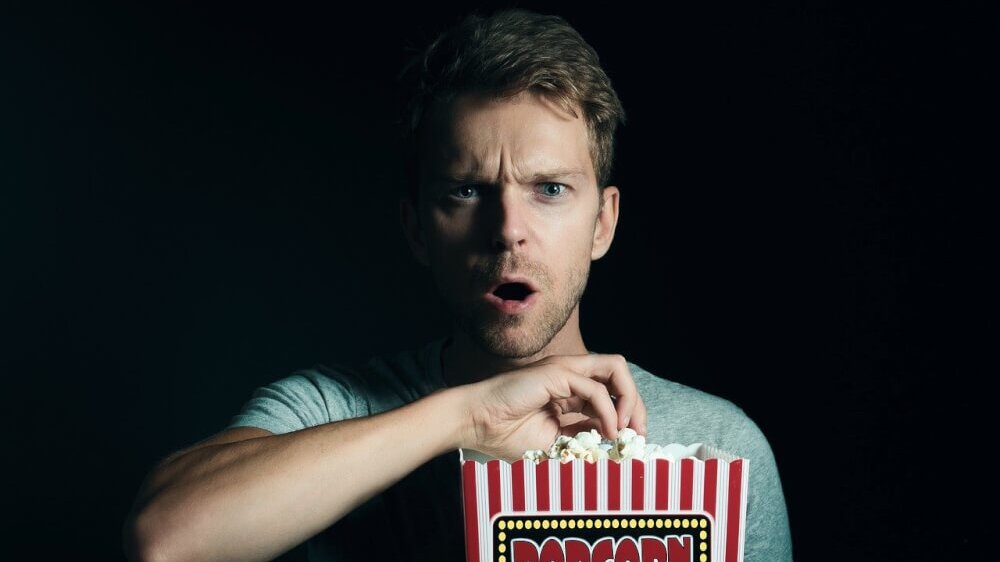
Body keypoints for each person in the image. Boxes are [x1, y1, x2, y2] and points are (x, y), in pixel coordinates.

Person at [124, 9, 792, 562]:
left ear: (603, 222)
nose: (507, 230)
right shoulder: (333, 410)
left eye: (550, 190)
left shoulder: (721, 449)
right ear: (417, 228)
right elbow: (165, 540)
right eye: (467, 191)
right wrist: (466, 415)